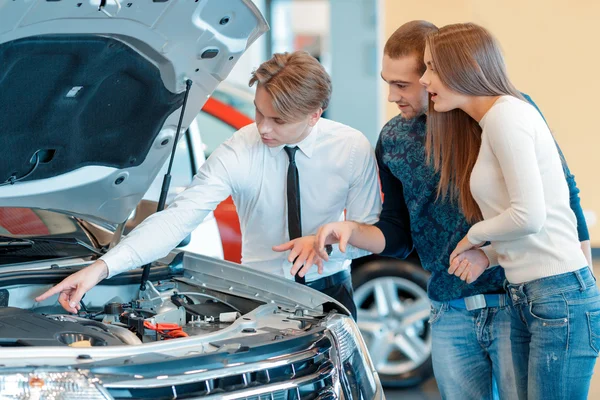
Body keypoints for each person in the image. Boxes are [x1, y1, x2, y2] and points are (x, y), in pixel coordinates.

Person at [302, 21, 592, 400]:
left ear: (433, 74)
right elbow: (398, 233)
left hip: (514, 302)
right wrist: (350, 231)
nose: (392, 96)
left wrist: (582, 276)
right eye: (387, 82)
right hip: (448, 310)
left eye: (403, 85)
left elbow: (562, 194)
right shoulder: (393, 138)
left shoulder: (498, 114)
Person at [35, 51, 382, 320]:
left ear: (314, 115)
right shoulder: (240, 149)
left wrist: (327, 245)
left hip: (332, 288)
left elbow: (371, 236)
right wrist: (101, 268)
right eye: (259, 112)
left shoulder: (351, 148)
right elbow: (178, 219)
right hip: (258, 292)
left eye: (278, 120)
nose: (263, 128)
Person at [418, 22, 599, 400]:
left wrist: (473, 236)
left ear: (462, 66)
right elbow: (529, 225)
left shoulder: (506, 116)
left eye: (431, 67)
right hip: (531, 294)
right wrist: (486, 255)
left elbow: (529, 215)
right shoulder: (492, 123)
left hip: (558, 294)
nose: (423, 79)